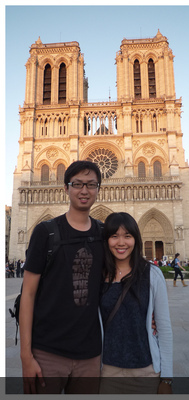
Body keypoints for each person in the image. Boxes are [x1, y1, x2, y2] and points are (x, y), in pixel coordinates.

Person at [20, 160, 104, 394]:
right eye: (77, 184)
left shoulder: (103, 233)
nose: (84, 190)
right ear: (66, 188)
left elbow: (116, 281)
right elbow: (27, 293)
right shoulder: (45, 232)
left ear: (99, 189)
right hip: (48, 353)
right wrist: (26, 356)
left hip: (89, 355)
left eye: (91, 184)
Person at [99, 212, 173, 394]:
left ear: (136, 239)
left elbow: (164, 328)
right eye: (114, 236)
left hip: (145, 372)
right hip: (107, 372)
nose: (121, 243)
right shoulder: (98, 277)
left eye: (127, 236)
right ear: (106, 240)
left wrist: (167, 378)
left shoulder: (153, 274)